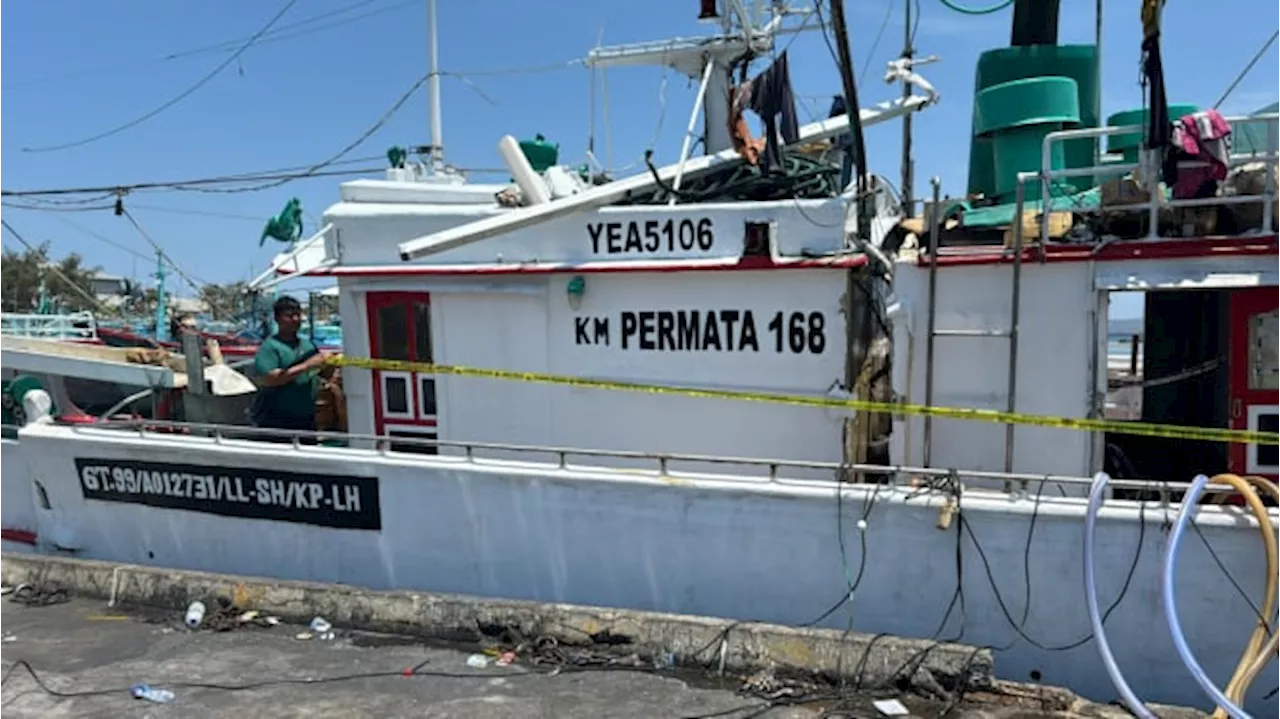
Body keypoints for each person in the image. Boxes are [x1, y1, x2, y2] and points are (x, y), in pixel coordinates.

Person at [251, 296, 326, 436]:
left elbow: (318, 372)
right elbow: (271, 379)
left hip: (306, 419)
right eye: (290, 316)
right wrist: (306, 366)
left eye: (298, 315)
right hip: (276, 420)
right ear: (277, 319)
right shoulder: (269, 347)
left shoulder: (307, 344)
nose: (296, 319)